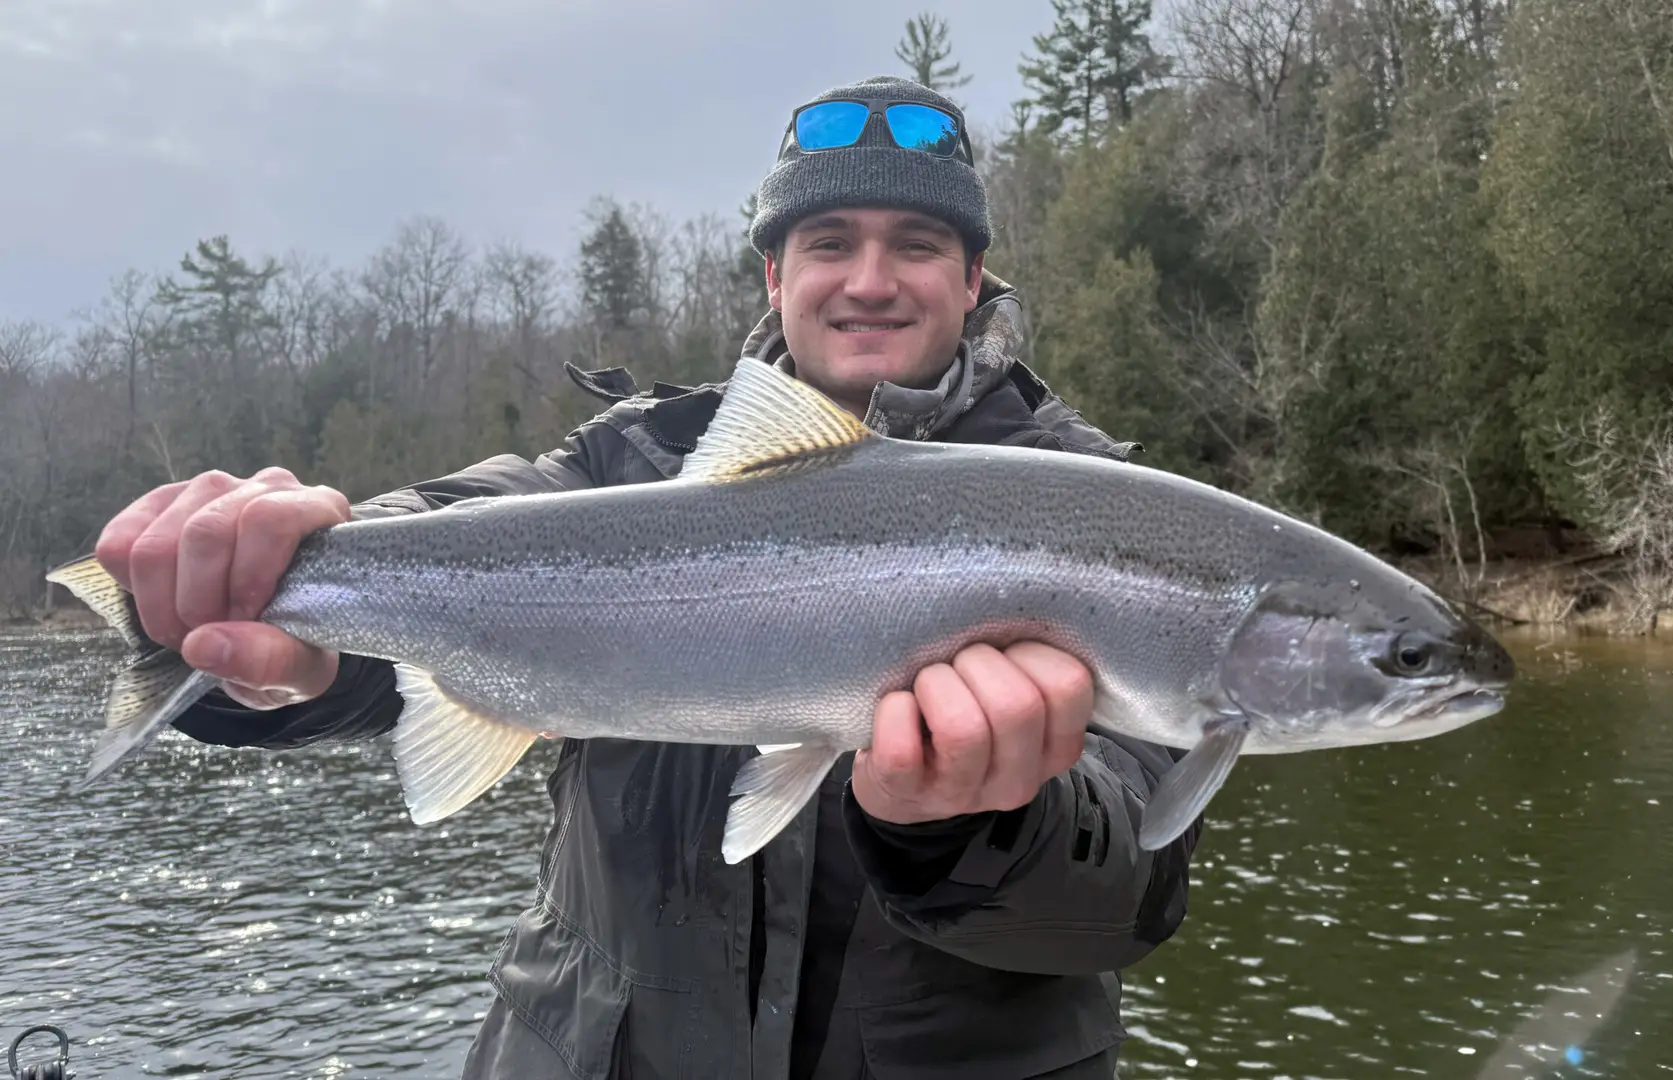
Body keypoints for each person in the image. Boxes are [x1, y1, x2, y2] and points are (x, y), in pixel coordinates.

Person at [90, 76, 1201, 1079]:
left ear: (971, 281)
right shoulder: (632, 460)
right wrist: (248, 595)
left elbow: (1130, 899)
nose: (869, 280)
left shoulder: (1102, 510)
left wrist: (960, 828)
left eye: (916, 243)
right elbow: (462, 529)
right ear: (777, 277)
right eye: (828, 242)